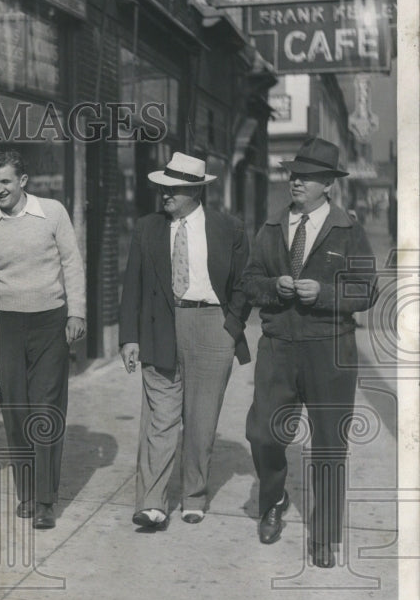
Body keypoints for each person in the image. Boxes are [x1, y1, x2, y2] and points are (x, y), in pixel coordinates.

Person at [243, 136, 377, 568]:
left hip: (329, 350)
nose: (296, 181)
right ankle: (274, 501)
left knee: (329, 446)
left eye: (308, 176)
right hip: (279, 346)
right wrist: (272, 287)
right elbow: (250, 282)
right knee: (263, 433)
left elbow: (366, 290)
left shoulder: (348, 231)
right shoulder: (270, 228)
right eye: (294, 174)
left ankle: (324, 535)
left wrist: (323, 292)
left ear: (329, 186)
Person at [118, 152, 251, 531]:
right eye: (163, 187)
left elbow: (244, 282)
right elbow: (133, 287)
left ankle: (194, 495)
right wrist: (129, 337)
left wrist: (232, 325)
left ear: (194, 190)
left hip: (212, 325)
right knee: (159, 416)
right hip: (161, 323)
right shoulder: (147, 228)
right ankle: (151, 502)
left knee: (201, 417)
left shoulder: (228, 228)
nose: (164, 194)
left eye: (172, 188)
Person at [0, 151, 86, 530]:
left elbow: (72, 262)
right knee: (16, 411)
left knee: (46, 408)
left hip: (50, 323)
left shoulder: (52, 213)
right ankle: (27, 492)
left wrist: (76, 312)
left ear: (23, 181)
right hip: (6, 326)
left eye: (5, 181)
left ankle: (45, 500)